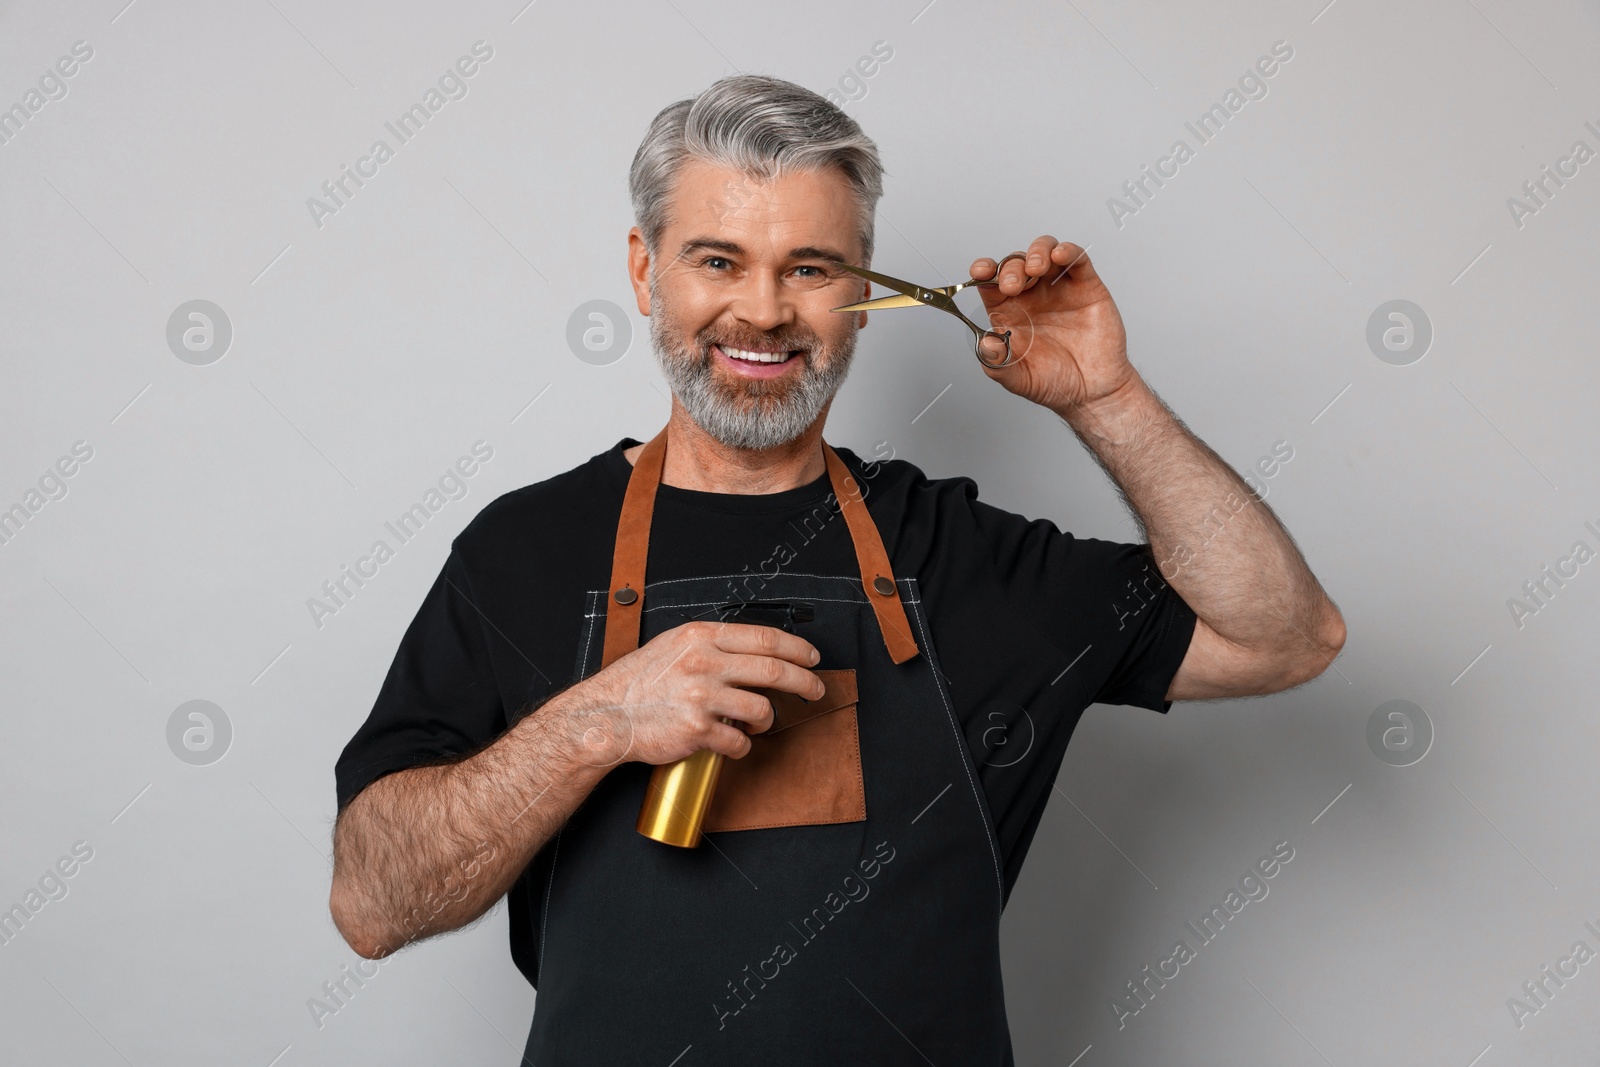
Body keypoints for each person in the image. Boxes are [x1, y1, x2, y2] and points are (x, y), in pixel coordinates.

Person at [329, 73, 1345, 1064]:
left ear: (862, 293)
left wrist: (1105, 396)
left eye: (809, 268)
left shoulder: (959, 555)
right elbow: (373, 904)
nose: (763, 311)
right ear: (646, 272)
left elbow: (1286, 635)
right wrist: (601, 722)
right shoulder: (524, 553)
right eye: (718, 261)